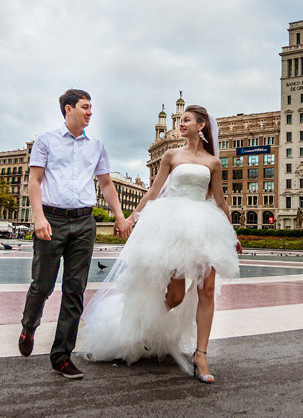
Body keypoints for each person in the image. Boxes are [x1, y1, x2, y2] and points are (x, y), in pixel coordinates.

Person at [77, 105, 241, 384]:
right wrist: (128, 218)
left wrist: (232, 234)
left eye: (187, 120)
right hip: (173, 225)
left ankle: (201, 354)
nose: (182, 124)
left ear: (201, 126)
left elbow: (220, 201)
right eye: (181, 119)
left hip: (205, 227)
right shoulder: (170, 155)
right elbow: (153, 193)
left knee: (208, 289)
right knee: (175, 296)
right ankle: (146, 327)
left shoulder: (213, 163)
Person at [19, 88, 131, 380]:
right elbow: (35, 180)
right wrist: (39, 218)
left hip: (84, 222)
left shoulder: (96, 145)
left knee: (74, 290)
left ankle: (61, 357)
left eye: (91, 107)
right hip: (51, 220)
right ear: (68, 109)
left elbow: (106, 184)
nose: (90, 112)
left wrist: (119, 216)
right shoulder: (46, 141)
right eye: (85, 107)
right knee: (42, 285)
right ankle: (29, 326)